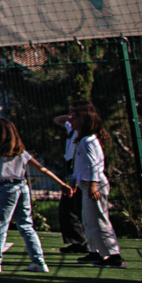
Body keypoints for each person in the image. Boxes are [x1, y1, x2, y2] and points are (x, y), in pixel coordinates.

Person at [0, 116, 64, 274]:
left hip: (5, 189)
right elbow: (42, 169)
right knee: (26, 226)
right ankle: (39, 261)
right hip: (22, 187)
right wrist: (62, 184)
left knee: (0, 227)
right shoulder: (21, 152)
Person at [70, 104, 124, 269]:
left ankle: (114, 255)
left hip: (95, 185)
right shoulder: (82, 140)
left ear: (84, 120)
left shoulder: (89, 141)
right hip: (87, 185)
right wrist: (74, 180)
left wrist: (93, 186)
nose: (71, 119)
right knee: (88, 220)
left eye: (75, 117)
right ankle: (95, 251)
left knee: (100, 219)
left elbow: (96, 165)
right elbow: (80, 165)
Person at [53, 108, 89, 254]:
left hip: (77, 168)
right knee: (67, 207)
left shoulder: (85, 137)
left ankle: (83, 242)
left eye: (74, 117)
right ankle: (76, 241)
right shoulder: (71, 129)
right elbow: (57, 120)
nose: (70, 121)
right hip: (70, 167)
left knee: (75, 206)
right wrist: (70, 117)